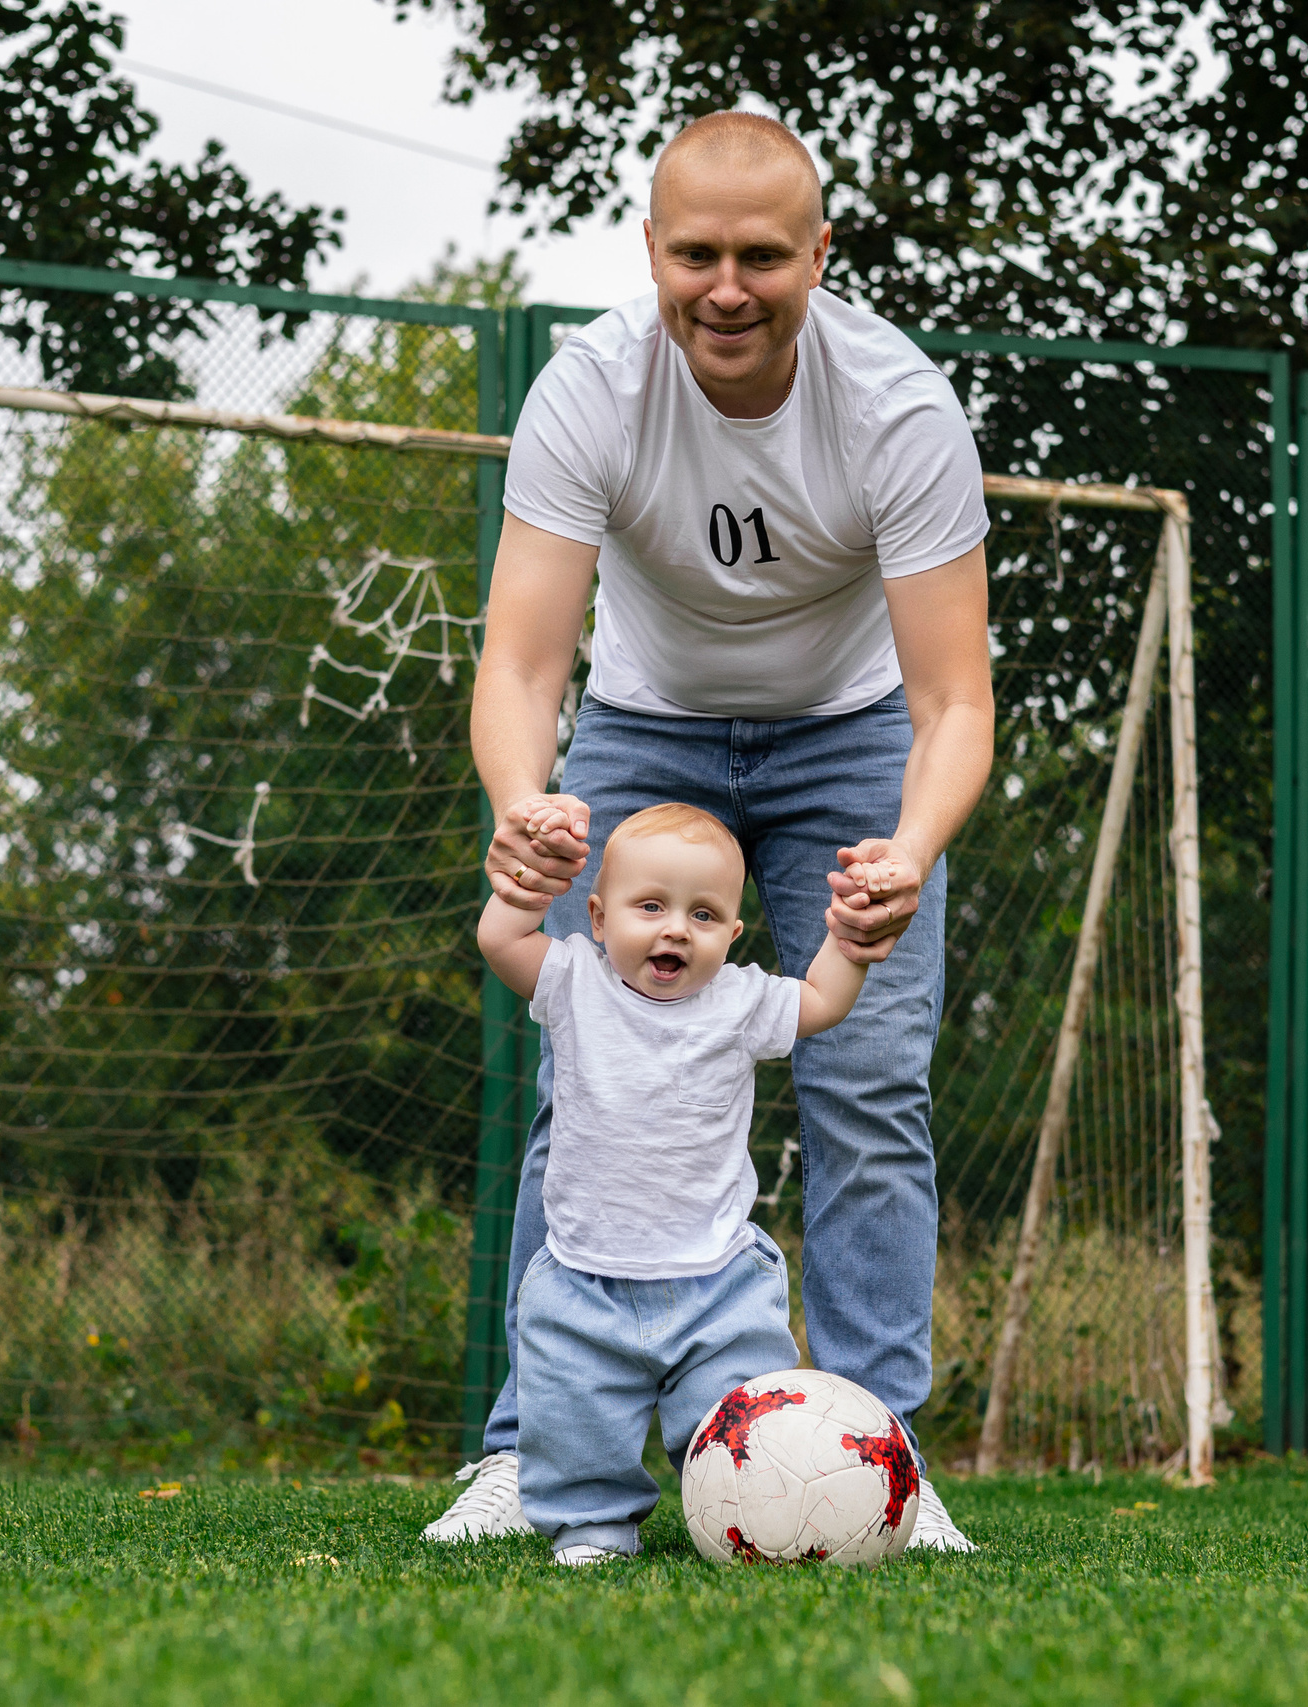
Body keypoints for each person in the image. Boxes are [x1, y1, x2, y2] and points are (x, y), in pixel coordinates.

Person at [426, 109, 994, 1552]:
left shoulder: (899, 407)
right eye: (696, 255)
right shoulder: (591, 389)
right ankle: (530, 1453)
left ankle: (879, 1456)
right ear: (651, 252)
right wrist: (524, 807)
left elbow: (952, 698)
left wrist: (909, 848)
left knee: (869, 1085)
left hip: (851, 737)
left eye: (761, 257)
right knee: (586, 1077)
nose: (726, 288)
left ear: (820, 253)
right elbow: (522, 663)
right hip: (647, 722)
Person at [478, 803, 870, 1564]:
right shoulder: (572, 981)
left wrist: (848, 940)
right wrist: (528, 887)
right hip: (583, 1281)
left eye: (704, 914)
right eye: (651, 906)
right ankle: (591, 1528)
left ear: (732, 934)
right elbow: (500, 940)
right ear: (598, 917)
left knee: (748, 1432)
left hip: (719, 1285)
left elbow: (822, 1001)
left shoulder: (742, 1001)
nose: (677, 930)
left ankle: (755, 1516)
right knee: (574, 1424)